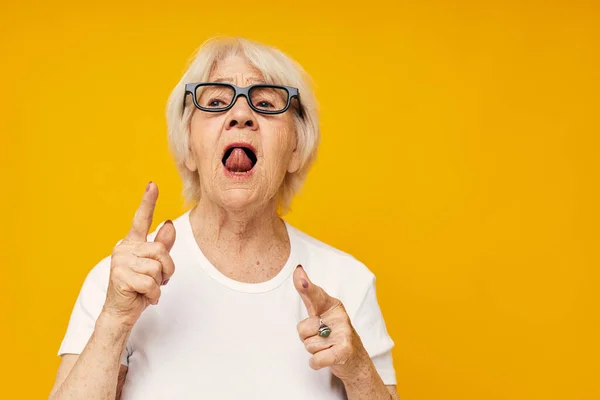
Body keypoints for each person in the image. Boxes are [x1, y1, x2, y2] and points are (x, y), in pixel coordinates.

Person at [50, 36, 400, 400]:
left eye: (265, 103)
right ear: (188, 145)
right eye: (216, 101)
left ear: (296, 149)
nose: (241, 114)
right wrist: (114, 321)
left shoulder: (348, 283)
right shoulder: (122, 282)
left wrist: (358, 370)